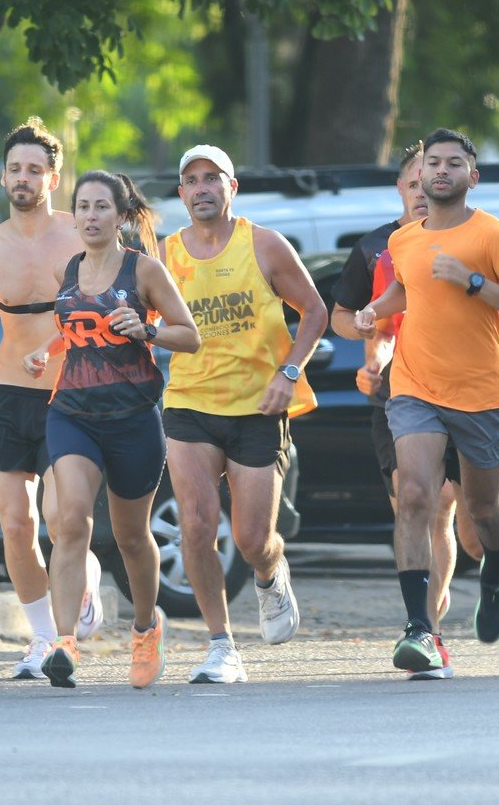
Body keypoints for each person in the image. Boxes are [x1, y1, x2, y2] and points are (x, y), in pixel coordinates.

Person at [355, 128, 499, 679]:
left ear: (472, 176)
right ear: (418, 177)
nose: (440, 171)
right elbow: (405, 291)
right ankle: (420, 629)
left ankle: (493, 567)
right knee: (414, 495)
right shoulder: (403, 241)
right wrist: (375, 309)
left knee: (482, 512)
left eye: (453, 164)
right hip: (414, 386)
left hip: (482, 392)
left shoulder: (492, 236)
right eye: (432, 164)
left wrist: (473, 282)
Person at [18, 171, 201, 689]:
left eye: (102, 207)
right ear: (73, 215)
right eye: (83, 207)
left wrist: (147, 329)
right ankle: (66, 643)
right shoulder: (67, 268)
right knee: (71, 520)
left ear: (121, 216)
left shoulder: (143, 270)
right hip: (72, 410)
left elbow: (190, 336)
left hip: (133, 418)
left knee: (131, 537)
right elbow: (73, 329)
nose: (92, 216)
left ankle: (145, 629)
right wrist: (44, 352)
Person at [163, 143, 327, 684]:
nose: (202, 187)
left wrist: (290, 373)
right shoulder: (164, 256)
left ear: (232, 188)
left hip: (259, 404)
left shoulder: (264, 245)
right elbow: (142, 319)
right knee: (196, 523)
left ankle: (270, 572)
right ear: (181, 193)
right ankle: (221, 644)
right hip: (189, 402)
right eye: (192, 180)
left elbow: (315, 311)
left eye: (214, 178)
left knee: (254, 538)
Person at [0, 118, 103, 680]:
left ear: (53, 178)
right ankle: (42, 637)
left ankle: (81, 578)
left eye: (35, 170)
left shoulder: (80, 234)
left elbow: (118, 292)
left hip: (73, 392)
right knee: (15, 523)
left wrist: (58, 343)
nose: (24, 178)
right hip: (8, 395)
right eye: (15, 169)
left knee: (62, 518)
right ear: (2, 177)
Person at [329, 145, 478, 638]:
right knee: (417, 507)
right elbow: (345, 315)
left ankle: (489, 565)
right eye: (413, 184)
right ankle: (427, 629)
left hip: (461, 388)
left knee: (461, 517)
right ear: (401, 188)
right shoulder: (376, 247)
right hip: (396, 396)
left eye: (429, 182)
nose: (422, 192)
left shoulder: (472, 238)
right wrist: (368, 343)